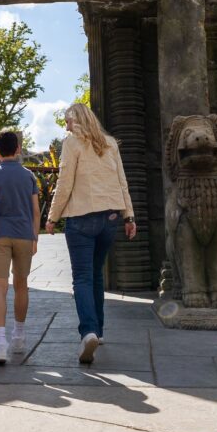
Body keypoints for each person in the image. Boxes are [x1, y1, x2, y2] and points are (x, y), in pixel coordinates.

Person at [46, 103, 137, 365]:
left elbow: (65, 182)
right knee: (96, 274)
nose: (66, 126)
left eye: (67, 121)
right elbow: (122, 181)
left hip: (81, 217)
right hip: (110, 217)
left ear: (75, 121)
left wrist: (52, 217)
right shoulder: (110, 143)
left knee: (82, 278)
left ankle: (88, 331)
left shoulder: (72, 143)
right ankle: (99, 330)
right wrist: (129, 216)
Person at [0, 128, 39, 364]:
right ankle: (19, 335)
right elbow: (36, 211)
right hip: (25, 235)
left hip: (1, 236)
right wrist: (35, 237)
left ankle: (0, 343)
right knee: (21, 285)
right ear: (18, 150)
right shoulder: (29, 176)